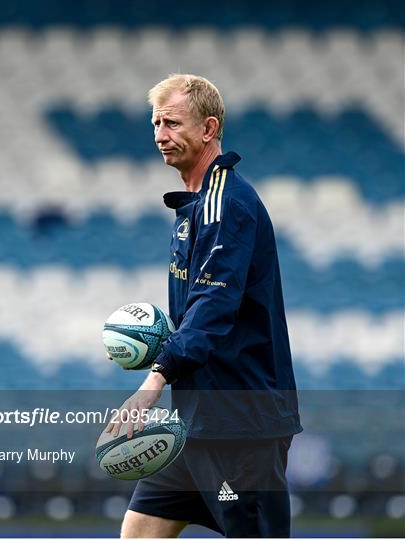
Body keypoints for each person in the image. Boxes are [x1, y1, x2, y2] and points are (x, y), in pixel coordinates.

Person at [105, 74, 302, 538]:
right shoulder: (195, 207)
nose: (159, 135)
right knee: (138, 532)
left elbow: (212, 307)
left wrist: (155, 379)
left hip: (239, 426)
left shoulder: (226, 204)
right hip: (196, 422)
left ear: (209, 128)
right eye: (155, 123)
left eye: (172, 123)